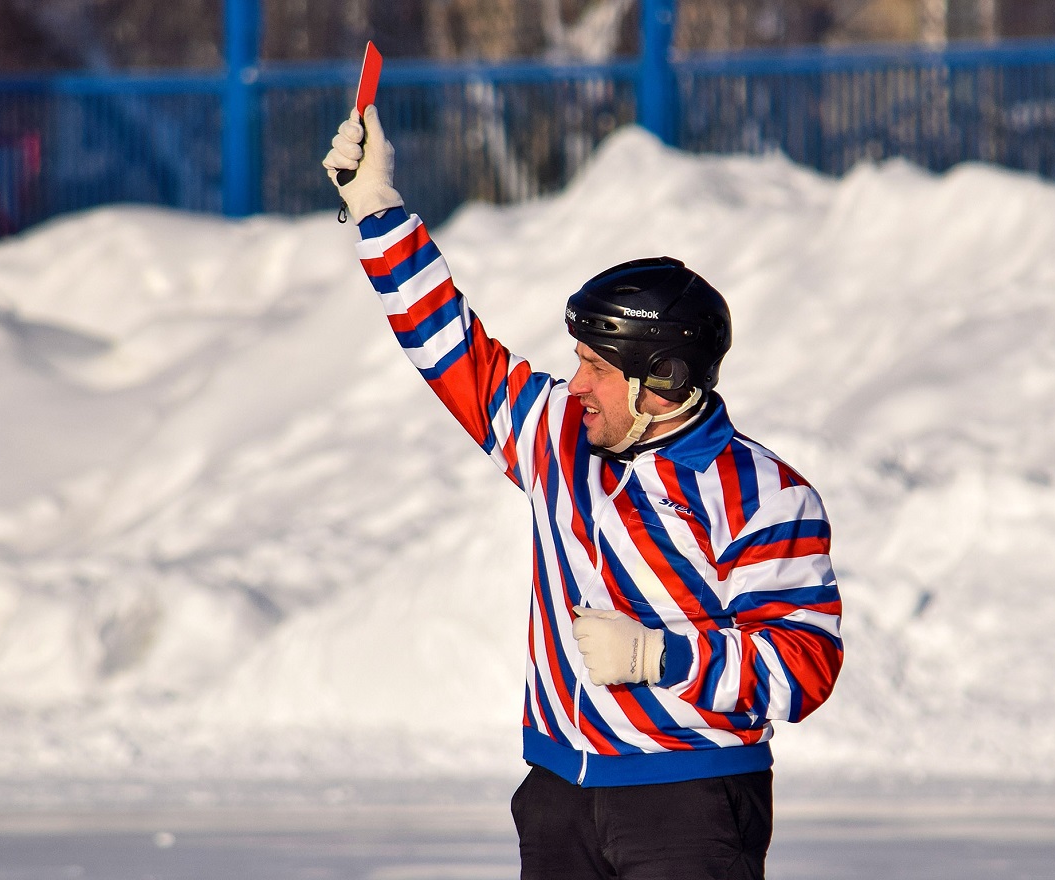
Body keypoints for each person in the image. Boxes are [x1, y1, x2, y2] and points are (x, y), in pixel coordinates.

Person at [324, 106, 843, 880]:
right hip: (560, 796)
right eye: (577, 360)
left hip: (689, 802)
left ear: (663, 381)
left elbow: (805, 666)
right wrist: (374, 206)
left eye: (599, 368)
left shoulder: (762, 494)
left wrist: (659, 655)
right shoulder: (558, 436)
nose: (576, 385)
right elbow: (448, 345)